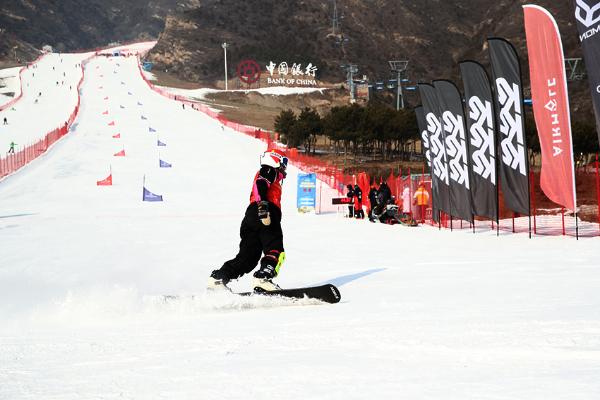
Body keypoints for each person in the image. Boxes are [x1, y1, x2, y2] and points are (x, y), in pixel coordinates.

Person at [208, 149, 289, 292]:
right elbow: (261, 184)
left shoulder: (270, 173)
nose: (284, 167)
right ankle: (263, 278)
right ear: (274, 160)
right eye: (283, 163)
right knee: (275, 249)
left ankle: (220, 278)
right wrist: (263, 206)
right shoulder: (269, 170)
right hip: (266, 213)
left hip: (251, 218)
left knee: (248, 257)